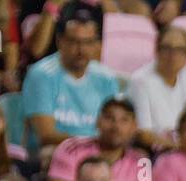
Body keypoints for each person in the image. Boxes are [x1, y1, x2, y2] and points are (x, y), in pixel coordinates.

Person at [44, 96, 150, 181]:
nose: (116, 126)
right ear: (98, 121)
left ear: (134, 127)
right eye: (109, 118)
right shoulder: (71, 148)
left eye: (124, 120)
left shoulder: (143, 163)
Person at [21, 8, 119, 149]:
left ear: (96, 44)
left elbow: (114, 125)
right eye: (74, 42)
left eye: (88, 42)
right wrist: (93, 143)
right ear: (60, 41)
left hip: (97, 155)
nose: (81, 50)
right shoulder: (41, 75)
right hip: (54, 154)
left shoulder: (106, 77)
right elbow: (46, 135)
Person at [128, 24, 186, 151]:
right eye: (166, 48)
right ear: (157, 50)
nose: (173, 56)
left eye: (179, 50)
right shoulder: (140, 81)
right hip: (155, 150)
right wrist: (181, 148)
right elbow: (144, 135)